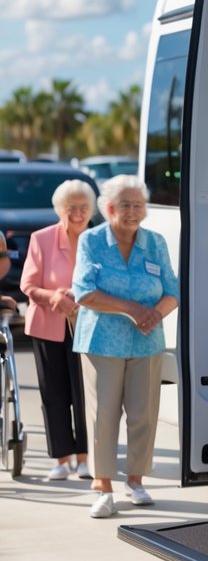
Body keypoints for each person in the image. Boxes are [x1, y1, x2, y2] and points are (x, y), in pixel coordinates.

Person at [71, 174, 179, 519]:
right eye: (126, 205)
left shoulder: (155, 242)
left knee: (143, 413)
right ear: (109, 208)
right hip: (102, 340)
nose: (133, 212)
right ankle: (103, 486)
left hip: (147, 341)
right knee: (103, 415)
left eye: (139, 205)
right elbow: (83, 292)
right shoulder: (91, 241)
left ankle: (136, 481)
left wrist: (154, 314)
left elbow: (172, 290)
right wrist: (133, 309)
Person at [20, 179, 96, 481]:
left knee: (85, 393)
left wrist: (81, 294)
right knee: (54, 393)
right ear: (59, 210)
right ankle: (62, 459)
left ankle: (85, 457)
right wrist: (53, 296)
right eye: (71, 208)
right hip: (47, 324)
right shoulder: (41, 239)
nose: (78, 214)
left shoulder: (98, 240)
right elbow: (27, 284)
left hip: (87, 324)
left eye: (84, 208)